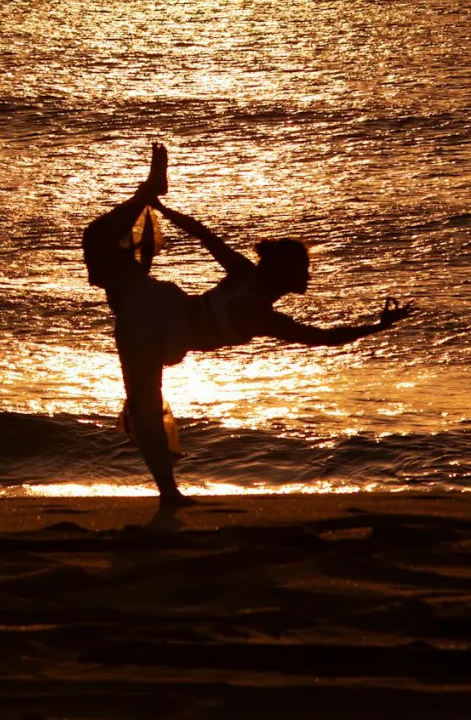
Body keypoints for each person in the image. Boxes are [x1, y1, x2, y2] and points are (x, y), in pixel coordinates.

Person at [82, 144, 412, 506]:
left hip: (157, 317)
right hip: (159, 320)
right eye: (301, 268)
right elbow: (205, 236)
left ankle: (146, 193)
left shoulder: (258, 304)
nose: (307, 275)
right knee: (144, 407)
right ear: (284, 274)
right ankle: (170, 495)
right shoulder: (254, 295)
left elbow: (324, 338)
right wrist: (164, 211)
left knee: (101, 249)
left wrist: (377, 327)